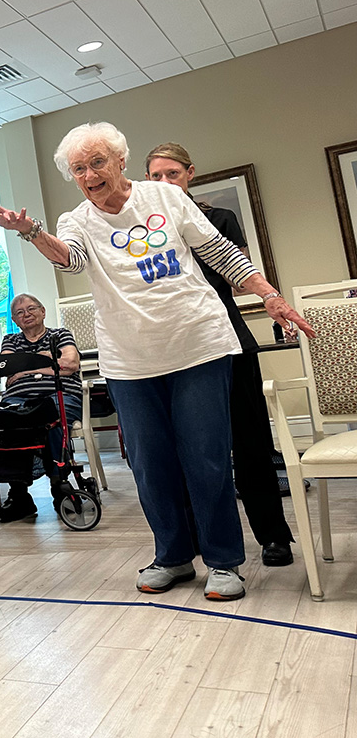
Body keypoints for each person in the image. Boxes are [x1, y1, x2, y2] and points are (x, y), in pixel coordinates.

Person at [0, 122, 314, 602]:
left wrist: (269, 295)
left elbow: (219, 253)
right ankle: (174, 556)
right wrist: (33, 232)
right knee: (149, 463)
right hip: (129, 358)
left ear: (120, 161)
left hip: (198, 343)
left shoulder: (165, 198)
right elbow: (72, 261)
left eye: (98, 162)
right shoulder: (76, 219)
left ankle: (224, 560)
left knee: (206, 458)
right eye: (79, 168)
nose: (90, 174)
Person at [145, 142, 295, 567]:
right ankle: (195, 542)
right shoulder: (147, 232)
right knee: (187, 451)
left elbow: (236, 274)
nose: (164, 183)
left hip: (228, 340)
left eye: (171, 174)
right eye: (155, 176)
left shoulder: (217, 219)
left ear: (190, 173)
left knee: (251, 442)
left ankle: (273, 536)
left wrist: (271, 296)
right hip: (177, 350)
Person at [0, 295, 83, 523]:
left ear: (43, 311)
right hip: (19, 399)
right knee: (6, 420)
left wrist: (24, 369)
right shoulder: (10, 341)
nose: (26, 314)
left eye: (31, 308)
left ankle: (59, 486)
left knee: (48, 418)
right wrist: (51, 361)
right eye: (20, 312)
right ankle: (19, 496)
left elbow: (71, 364)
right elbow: (7, 368)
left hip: (59, 395)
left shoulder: (60, 334)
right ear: (14, 320)